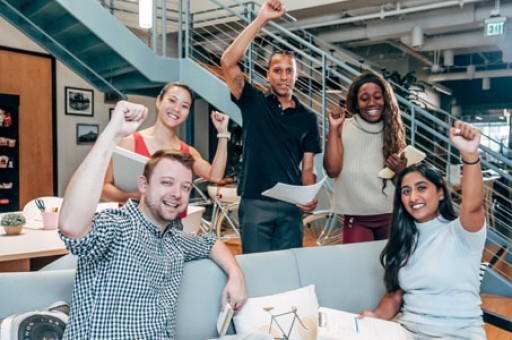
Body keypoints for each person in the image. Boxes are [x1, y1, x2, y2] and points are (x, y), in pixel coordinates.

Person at [59, 101, 247, 339]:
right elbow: (71, 225)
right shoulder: (118, 227)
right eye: (167, 183)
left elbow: (211, 243)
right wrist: (112, 134)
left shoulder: (175, 241)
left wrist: (236, 275)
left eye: (185, 187)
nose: (177, 194)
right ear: (143, 185)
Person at [360, 121, 486, 339]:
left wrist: (470, 154)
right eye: (406, 191)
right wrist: (375, 316)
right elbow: (395, 296)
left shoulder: (461, 232)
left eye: (421, 188)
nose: (413, 197)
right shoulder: (403, 239)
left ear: (440, 193)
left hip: (457, 334)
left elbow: (473, 204)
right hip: (408, 332)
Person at [220, 0, 321, 254]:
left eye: (289, 71)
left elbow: (307, 167)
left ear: (296, 76)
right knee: (255, 272)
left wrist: (307, 196)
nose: (284, 76)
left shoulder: (308, 117)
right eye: (278, 70)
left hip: (290, 207)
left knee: (288, 271)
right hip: (255, 204)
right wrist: (261, 19)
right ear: (268, 75)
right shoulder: (253, 102)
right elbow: (227, 62)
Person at [102, 82, 230, 209]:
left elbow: (215, 176)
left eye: (184, 106)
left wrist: (223, 133)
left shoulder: (187, 152)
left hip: (173, 225)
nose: (177, 109)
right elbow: (104, 188)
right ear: (159, 101)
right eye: (172, 100)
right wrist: (137, 197)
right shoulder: (129, 142)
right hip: (134, 224)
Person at [323, 72, 407, 244]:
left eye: (377, 97)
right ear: (356, 102)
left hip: (390, 215)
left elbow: (403, 183)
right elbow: (332, 170)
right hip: (356, 217)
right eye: (364, 98)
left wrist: (401, 171)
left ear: (385, 100)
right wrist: (333, 129)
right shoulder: (342, 128)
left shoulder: (393, 131)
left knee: (391, 270)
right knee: (357, 269)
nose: (372, 103)